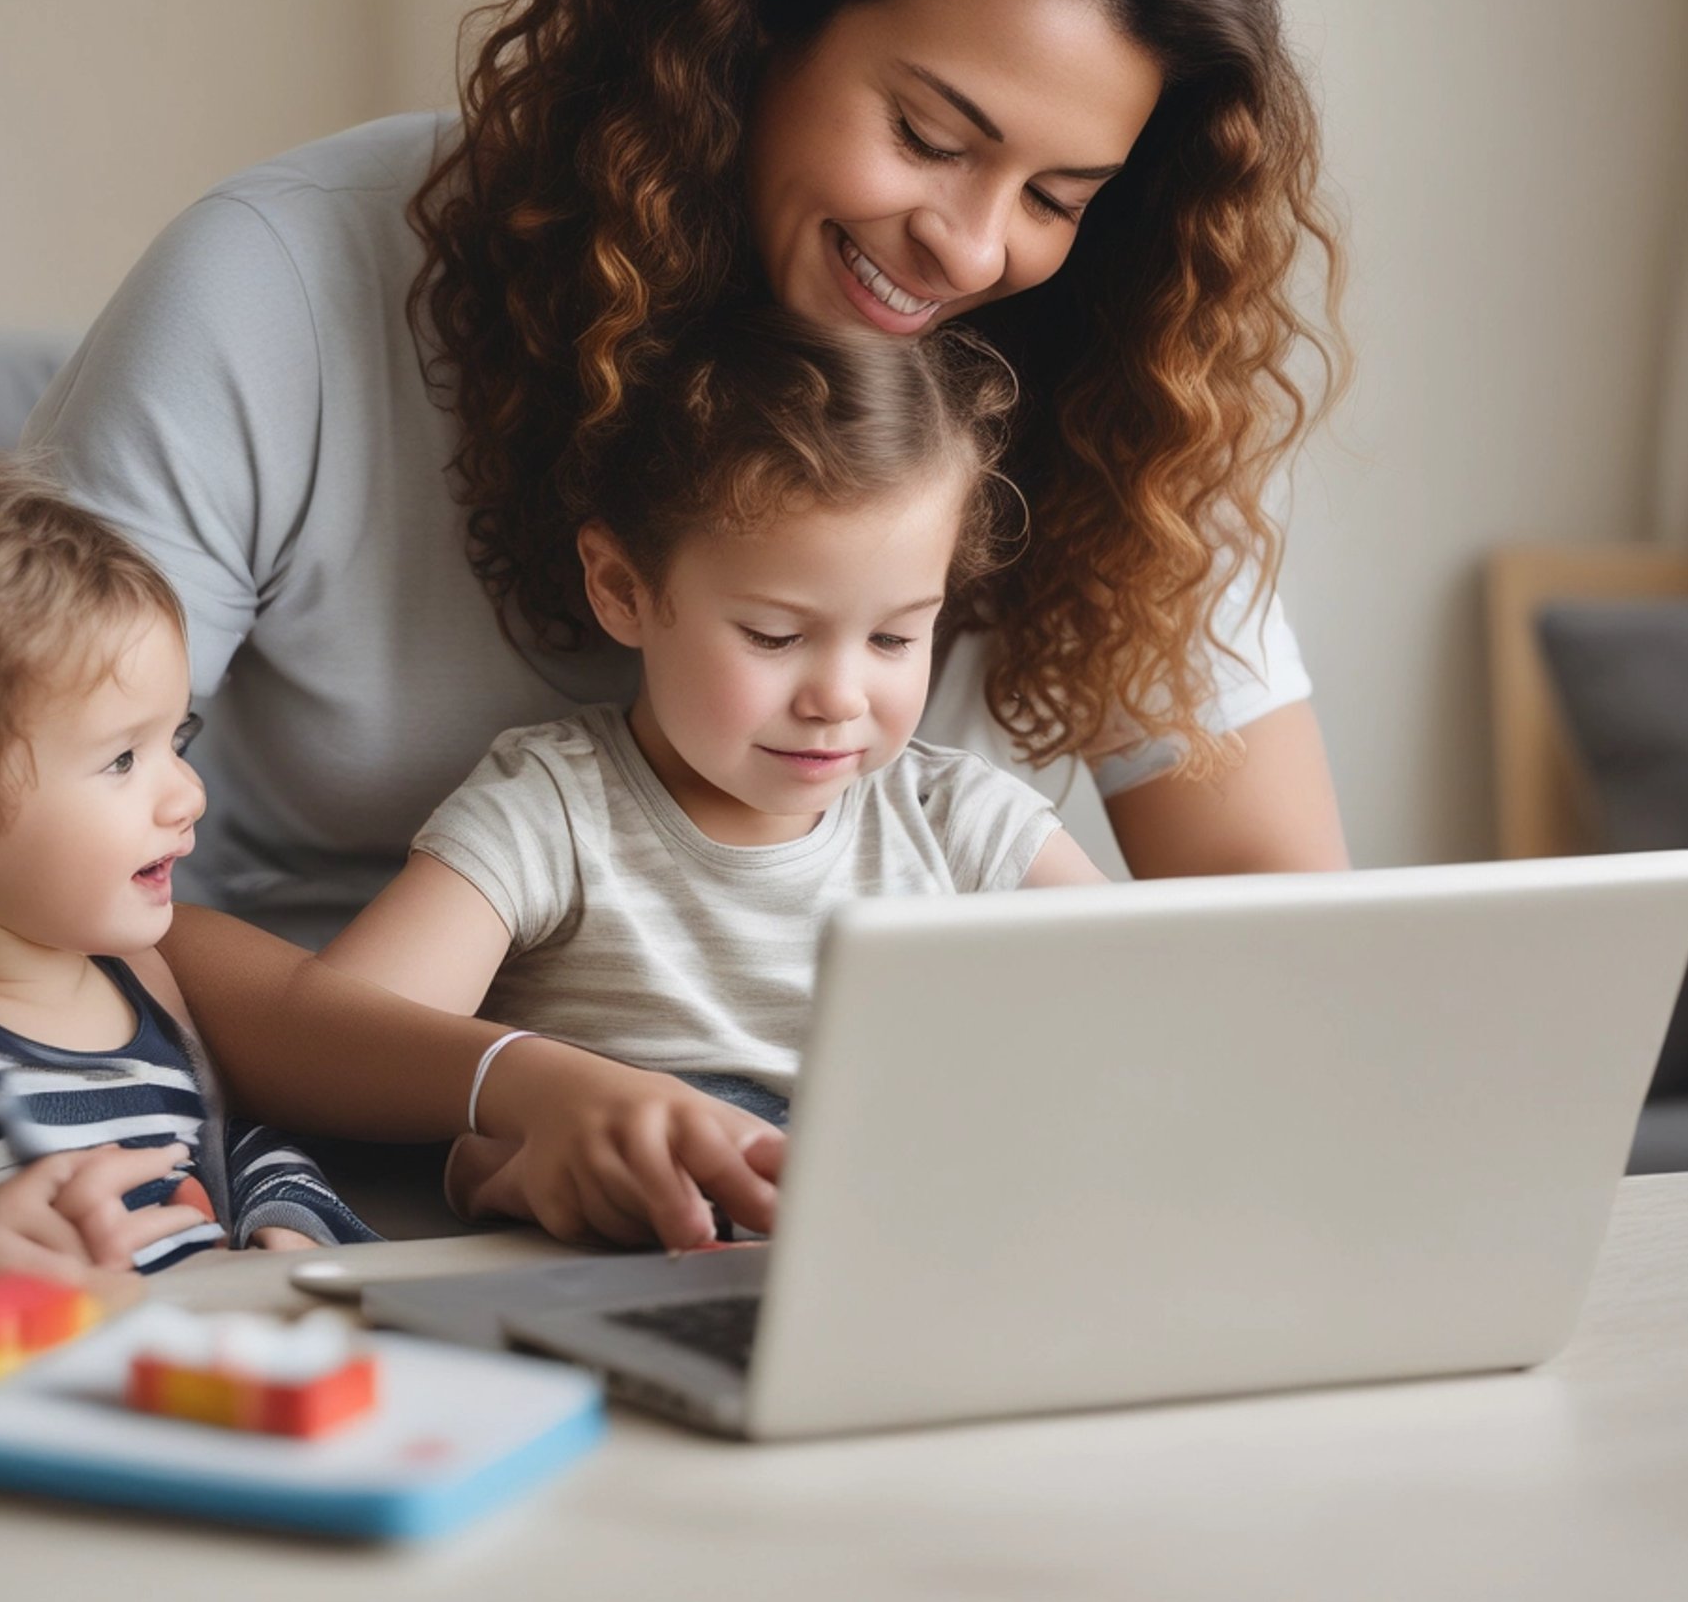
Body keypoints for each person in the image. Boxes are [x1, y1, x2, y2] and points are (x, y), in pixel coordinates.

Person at [5, 0, 1350, 1245]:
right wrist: (513, 1084)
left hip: (869, 1206)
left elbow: (1264, 923)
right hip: (323, 1174)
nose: (975, 248)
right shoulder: (285, 285)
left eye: (1056, 193)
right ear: (743, 27)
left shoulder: (1099, 373)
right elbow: (9, 845)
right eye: (926, 134)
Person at [312, 311, 1107, 1224]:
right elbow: (340, 1044)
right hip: (634, 1257)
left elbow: (1165, 1011)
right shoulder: (556, 812)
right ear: (622, 589)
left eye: (895, 636)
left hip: (893, 1252)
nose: (840, 696)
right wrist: (499, 1137)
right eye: (776, 635)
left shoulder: (957, 819)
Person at [0, 454, 376, 1297]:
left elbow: (230, 1146)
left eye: (175, 743)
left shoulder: (145, 1002)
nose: (188, 794)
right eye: (121, 759)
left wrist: (282, 1216)